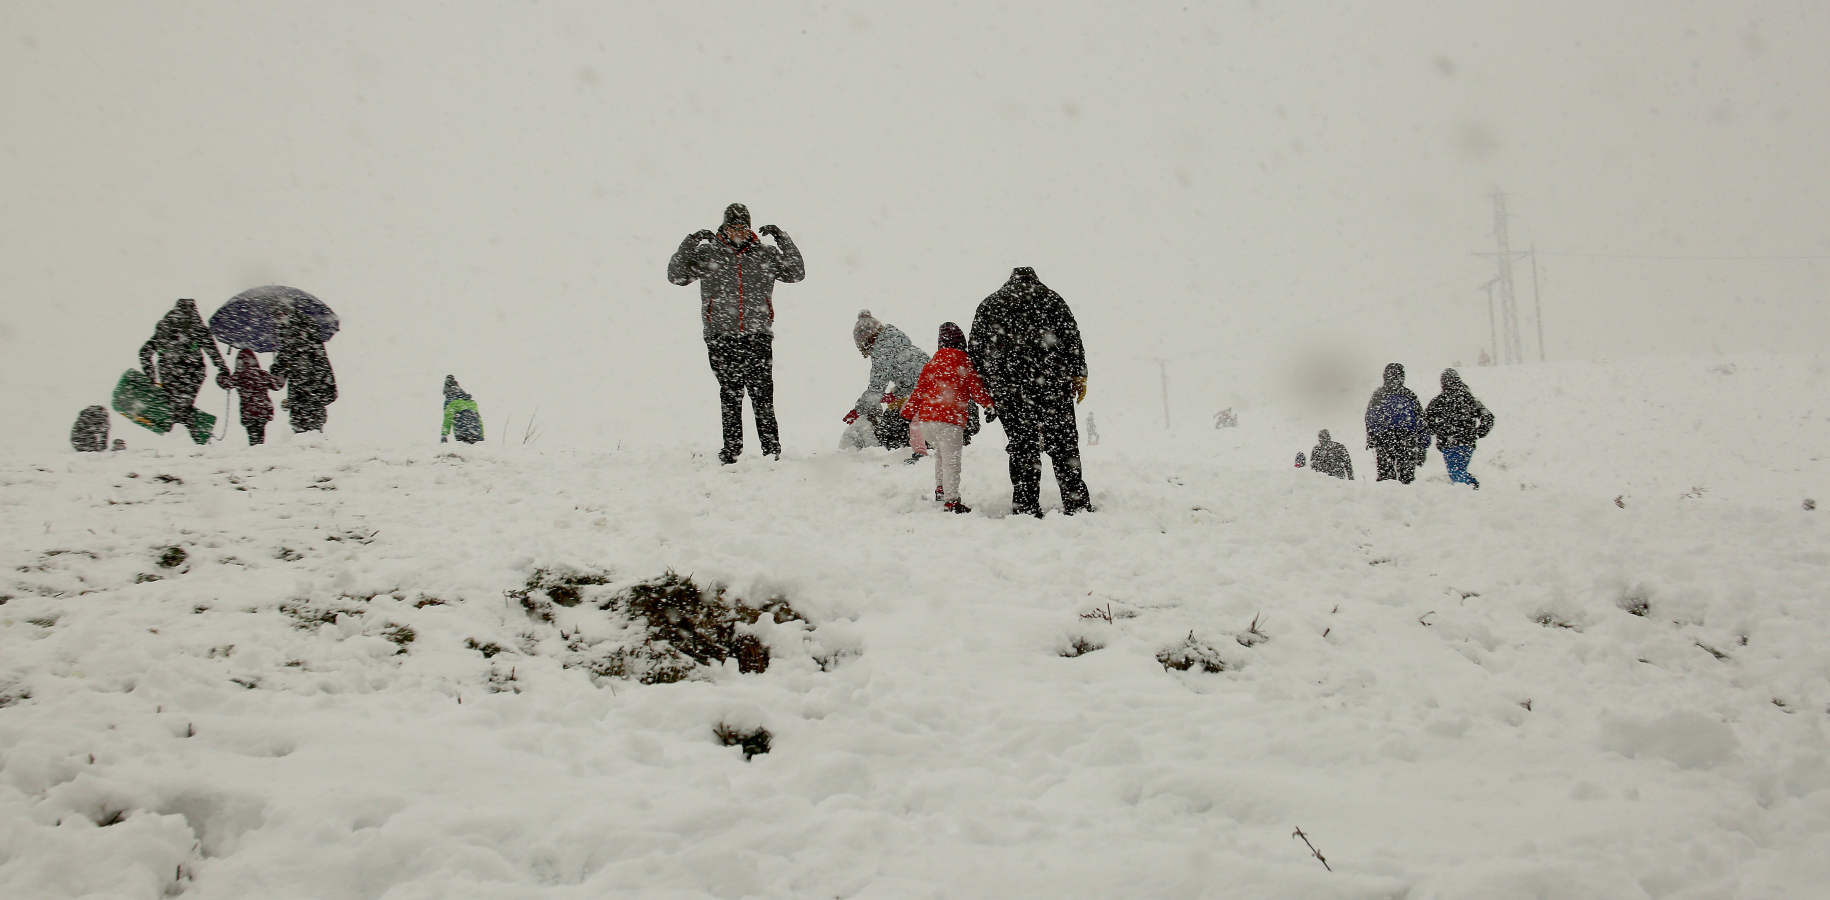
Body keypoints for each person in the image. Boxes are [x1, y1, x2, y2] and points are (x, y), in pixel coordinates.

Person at [667, 203, 806, 464]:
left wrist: (782, 238)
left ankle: (771, 450)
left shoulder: (765, 254)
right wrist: (691, 242)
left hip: (757, 335)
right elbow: (675, 276)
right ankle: (731, 450)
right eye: (733, 226)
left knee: (762, 393)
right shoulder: (709, 254)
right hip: (721, 336)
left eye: (743, 227)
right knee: (730, 393)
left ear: (749, 227)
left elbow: (797, 273)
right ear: (724, 227)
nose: (738, 232)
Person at [968, 266, 1093, 516]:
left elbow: (976, 349)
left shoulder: (990, 304)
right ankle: (1076, 502)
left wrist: (985, 387)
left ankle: (1025, 505)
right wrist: (1079, 373)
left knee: (1023, 447)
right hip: (1053, 385)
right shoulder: (1052, 299)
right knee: (1064, 445)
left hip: (1009, 390)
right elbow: (1072, 339)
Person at [900, 322, 995, 514]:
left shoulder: (932, 365)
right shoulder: (964, 363)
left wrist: (908, 413)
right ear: (962, 343)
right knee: (951, 461)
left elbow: (918, 392)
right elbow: (977, 390)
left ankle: (940, 490)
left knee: (941, 457)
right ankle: (951, 500)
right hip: (949, 420)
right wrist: (989, 405)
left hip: (927, 422)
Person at [138, 299, 228, 439]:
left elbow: (144, 352)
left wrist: (151, 376)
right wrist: (222, 368)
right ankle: (192, 437)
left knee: (176, 407)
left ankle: (180, 437)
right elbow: (212, 350)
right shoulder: (197, 327)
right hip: (192, 373)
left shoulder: (165, 327)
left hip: (169, 372)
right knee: (183, 406)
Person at [847, 310, 930, 455]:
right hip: (939, 393)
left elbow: (875, 389)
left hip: (925, 397)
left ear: (866, 341)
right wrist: (896, 394)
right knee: (897, 418)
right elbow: (911, 377)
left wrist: (858, 409)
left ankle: (905, 450)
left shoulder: (882, 352)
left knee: (891, 428)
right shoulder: (898, 344)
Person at [1424, 368, 1495, 489]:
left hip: (1448, 442)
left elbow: (1426, 420)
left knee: (1455, 473)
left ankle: (1472, 487)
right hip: (1466, 442)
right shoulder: (1470, 399)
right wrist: (1479, 432)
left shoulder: (1439, 401)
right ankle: (1469, 488)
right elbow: (1488, 416)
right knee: (1458, 471)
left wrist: (1436, 430)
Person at [269, 310, 337, 433]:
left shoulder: (293, 345)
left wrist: (278, 368)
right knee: (311, 438)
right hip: (311, 402)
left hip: (305, 403)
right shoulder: (309, 341)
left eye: (279, 316)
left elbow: (278, 381)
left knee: (305, 436)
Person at [1363, 363, 1429, 484]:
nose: (1395, 380)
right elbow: (1421, 421)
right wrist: (1423, 444)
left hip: (1385, 439)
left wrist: (1372, 436)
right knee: (1406, 478)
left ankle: (1389, 498)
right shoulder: (1409, 395)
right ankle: (1405, 497)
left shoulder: (1379, 395)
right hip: (1405, 440)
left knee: (1386, 478)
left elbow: (1370, 419)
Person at [217, 348, 282, 445]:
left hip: (249, 410)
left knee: (253, 434)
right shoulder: (262, 373)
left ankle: (255, 449)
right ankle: (259, 446)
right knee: (260, 431)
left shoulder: (239, 375)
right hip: (264, 408)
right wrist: (276, 371)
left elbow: (226, 384)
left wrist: (222, 375)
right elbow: (277, 385)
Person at [441, 375, 484, 444]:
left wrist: (444, 434)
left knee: (465, 449)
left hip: (463, 430)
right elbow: (479, 419)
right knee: (473, 451)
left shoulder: (452, 403)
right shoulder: (471, 402)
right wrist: (481, 434)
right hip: (476, 430)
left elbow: (448, 419)